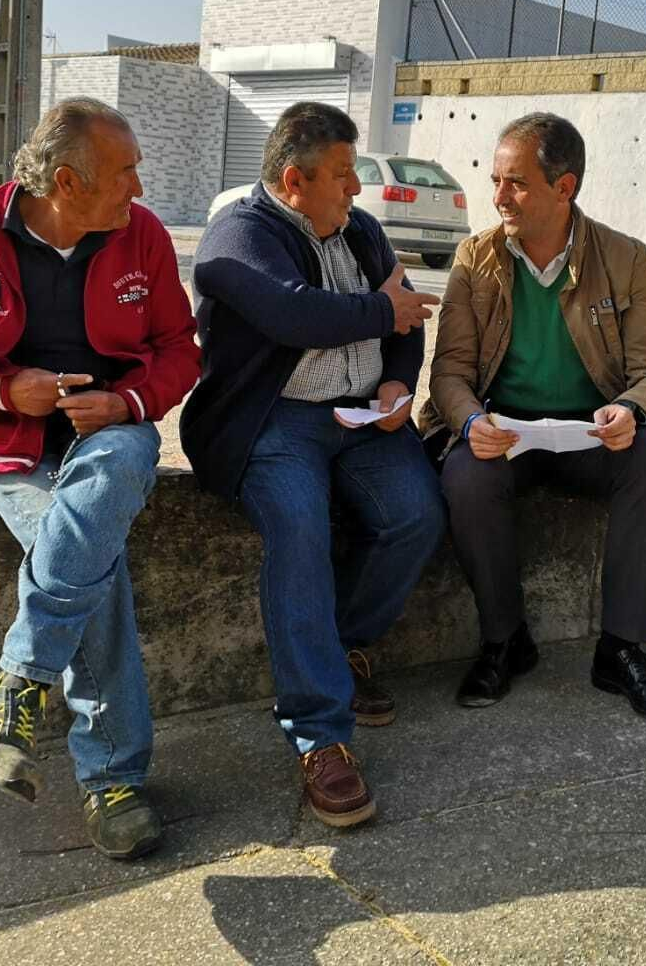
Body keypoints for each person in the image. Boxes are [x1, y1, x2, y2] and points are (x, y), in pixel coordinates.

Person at [0, 98, 199, 859]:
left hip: (109, 439)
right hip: (5, 446)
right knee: (96, 560)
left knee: (113, 477)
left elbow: (179, 349)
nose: (140, 189)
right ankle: (114, 781)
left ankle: (15, 686)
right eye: (126, 172)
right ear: (67, 180)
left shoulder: (142, 238)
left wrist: (126, 400)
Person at [181, 101, 446, 829]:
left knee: (417, 514)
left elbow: (405, 321)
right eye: (340, 176)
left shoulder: (358, 229)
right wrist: (382, 313)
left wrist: (397, 383)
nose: (355, 190)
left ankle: (341, 648)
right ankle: (319, 735)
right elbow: (294, 314)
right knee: (298, 529)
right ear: (294, 181)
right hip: (274, 422)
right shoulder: (239, 235)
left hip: (363, 418)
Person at [419, 112, 646, 722]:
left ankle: (623, 650)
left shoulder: (623, 257)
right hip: (505, 434)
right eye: (495, 180)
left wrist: (628, 410)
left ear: (564, 187)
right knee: (465, 476)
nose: (498, 197)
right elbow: (450, 374)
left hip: (591, 432)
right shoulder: (476, 258)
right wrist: (470, 424)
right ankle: (504, 640)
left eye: (515, 182)